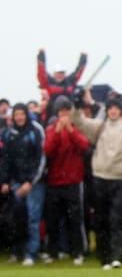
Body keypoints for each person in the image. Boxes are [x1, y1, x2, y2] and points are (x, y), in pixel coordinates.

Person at [74, 91, 122, 269]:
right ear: (107, 111)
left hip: (121, 178)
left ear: (121, 111)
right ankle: (104, 257)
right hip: (100, 177)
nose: (113, 111)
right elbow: (79, 122)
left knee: (117, 219)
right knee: (102, 219)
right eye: (110, 109)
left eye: (116, 109)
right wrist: (77, 106)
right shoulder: (99, 127)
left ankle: (117, 256)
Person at [42, 96, 89, 265]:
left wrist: (71, 130)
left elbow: (84, 146)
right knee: (53, 220)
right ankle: (52, 252)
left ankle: (77, 252)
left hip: (73, 181)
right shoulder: (51, 130)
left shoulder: (76, 128)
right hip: (54, 181)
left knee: (75, 220)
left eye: (67, 112)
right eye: (61, 112)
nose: (64, 116)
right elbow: (47, 150)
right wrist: (56, 132)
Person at [0, 103, 47, 266]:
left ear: (26, 115)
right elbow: (6, 160)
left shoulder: (35, 131)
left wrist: (30, 182)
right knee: (16, 219)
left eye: (22, 114)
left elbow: (40, 158)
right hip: (16, 182)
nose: (19, 117)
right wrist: (5, 180)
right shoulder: (8, 134)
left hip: (34, 184)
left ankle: (31, 253)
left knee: (33, 219)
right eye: (17, 114)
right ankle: (16, 251)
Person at [36, 48, 87, 123]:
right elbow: (41, 72)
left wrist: (83, 57)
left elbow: (78, 71)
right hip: (51, 115)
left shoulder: (70, 82)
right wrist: (41, 55)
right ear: (54, 74)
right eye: (58, 73)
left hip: (69, 115)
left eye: (62, 73)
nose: (60, 75)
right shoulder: (49, 83)